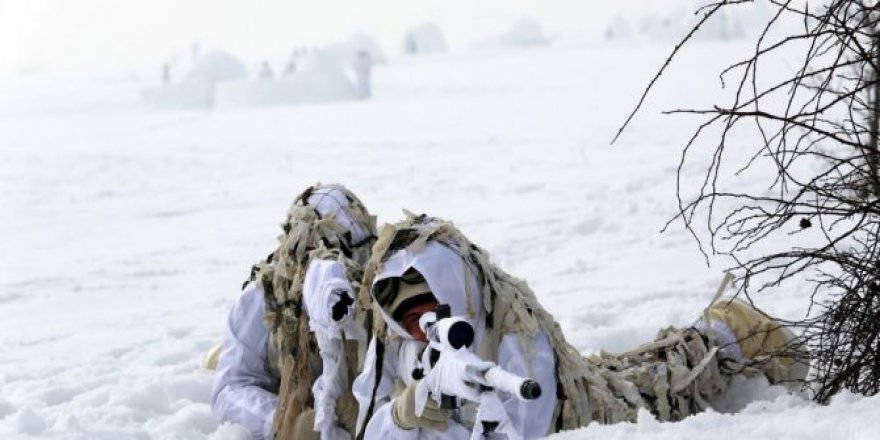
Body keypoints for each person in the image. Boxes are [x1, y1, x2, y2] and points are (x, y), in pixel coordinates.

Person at [353, 214, 809, 439]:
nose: (423, 329)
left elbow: (526, 429)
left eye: (432, 311)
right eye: (409, 321)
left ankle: (731, 332)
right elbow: (368, 426)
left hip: (586, 413)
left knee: (663, 383)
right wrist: (402, 413)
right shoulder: (397, 341)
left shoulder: (514, 333)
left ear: (458, 294)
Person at [210, 183, 377, 440]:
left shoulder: (382, 289)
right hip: (287, 389)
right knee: (222, 359)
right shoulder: (261, 300)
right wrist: (286, 421)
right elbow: (230, 389)